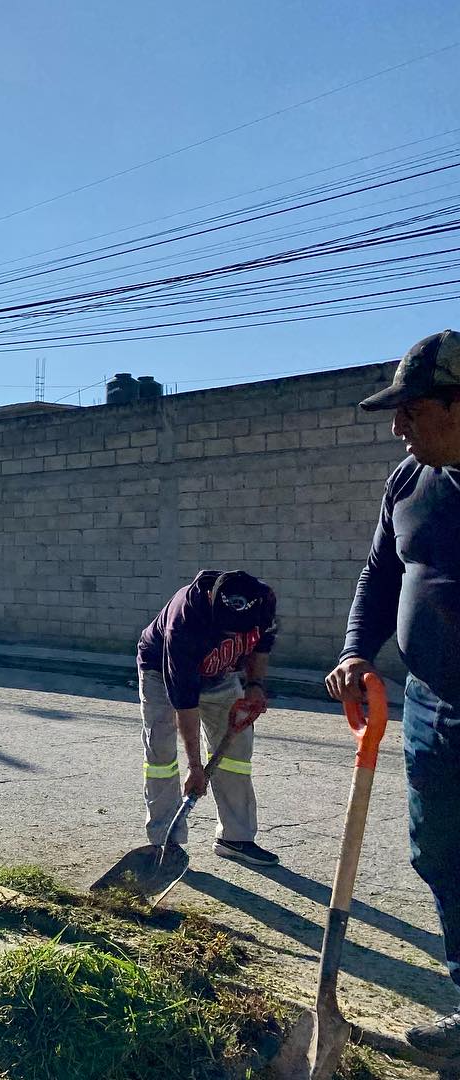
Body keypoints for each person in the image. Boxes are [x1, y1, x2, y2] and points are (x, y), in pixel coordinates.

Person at [327, 329, 460, 1058]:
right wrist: (354, 650)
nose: (396, 426)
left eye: (410, 410)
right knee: (439, 855)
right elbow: (381, 577)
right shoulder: (408, 482)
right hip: (432, 706)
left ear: (456, 404)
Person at [137, 569, 279, 867]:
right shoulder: (185, 621)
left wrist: (254, 685)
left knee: (236, 754)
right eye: (227, 628)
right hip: (161, 673)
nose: (232, 634)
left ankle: (235, 838)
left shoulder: (263, 600)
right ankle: (166, 841)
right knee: (162, 755)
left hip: (223, 673)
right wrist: (195, 766)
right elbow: (185, 703)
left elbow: (262, 645)